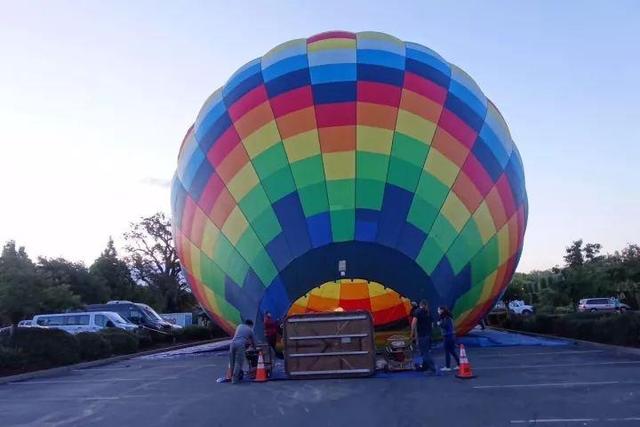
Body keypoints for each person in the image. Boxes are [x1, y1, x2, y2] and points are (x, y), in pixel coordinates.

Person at [409, 299, 437, 373]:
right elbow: (432, 325)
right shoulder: (428, 312)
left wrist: (412, 334)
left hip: (422, 335)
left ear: (420, 304)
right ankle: (425, 366)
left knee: (424, 353)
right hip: (428, 335)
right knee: (426, 351)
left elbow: (413, 323)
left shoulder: (417, 311)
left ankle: (432, 368)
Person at [229, 319, 256, 384]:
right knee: (238, 362)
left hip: (232, 344)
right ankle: (234, 380)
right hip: (240, 345)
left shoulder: (239, 326)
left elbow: (241, 336)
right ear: (250, 325)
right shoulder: (250, 330)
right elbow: (254, 342)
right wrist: (255, 348)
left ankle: (231, 376)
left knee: (232, 361)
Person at [437, 306, 460, 371]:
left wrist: (439, 324)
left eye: (438, 310)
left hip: (448, 336)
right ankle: (459, 364)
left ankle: (448, 366)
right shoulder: (447, 317)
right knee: (452, 351)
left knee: (447, 351)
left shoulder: (446, 318)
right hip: (451, 335)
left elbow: (445, 326)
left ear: (442, 310)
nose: (438, 311)